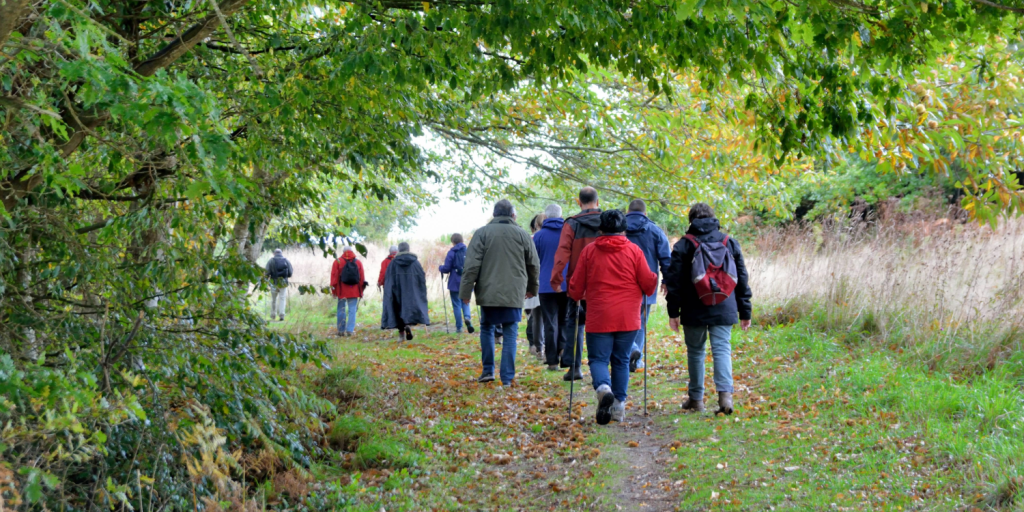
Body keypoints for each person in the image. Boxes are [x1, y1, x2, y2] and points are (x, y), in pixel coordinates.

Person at [568, 210, 658, 425]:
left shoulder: (590, 251)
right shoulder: (634, 251)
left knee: (598, 359)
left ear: (601, 228)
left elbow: (576, 287)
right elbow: (648, 283)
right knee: (622, 360)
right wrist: (654, 278)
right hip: (628, 317)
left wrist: (575, 293)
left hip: (599, 315)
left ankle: (603, 388)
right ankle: (618, 408)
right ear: (623, 229)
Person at [665, 202, 753, 415]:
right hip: (724, 304)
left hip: (693, 307)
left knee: (696, 351)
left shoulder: (683, 245)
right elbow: (742, 278)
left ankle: (696, 399)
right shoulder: (729, 242)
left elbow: (673, 282)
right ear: (713, 219)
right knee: (722, 348)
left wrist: (673, 312)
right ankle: (725, 397)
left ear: (691, 221)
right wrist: (745, 310)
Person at [459, 200, 540, 386]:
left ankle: (488, 371)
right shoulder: (522, 234)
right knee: (510, 332)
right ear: (513, 215)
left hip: (488, 291)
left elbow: (471, 265)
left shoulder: (482, 234)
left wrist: (465, 292)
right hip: (514, 291)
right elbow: (534, 265)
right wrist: (532, 289)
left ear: (494, 215)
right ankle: (507, 378)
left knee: (487, 328)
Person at [550, 187, 602, 382]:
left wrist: (556, 279)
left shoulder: (571, 223)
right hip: (604, 284)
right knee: (601, 325)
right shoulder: (608, 221)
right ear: (597, 202)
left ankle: (575, 367)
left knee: (575, 324)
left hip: (577, 284)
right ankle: (601, 364)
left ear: (579, 202)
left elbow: (562, 252)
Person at [624, 199, 672, 372]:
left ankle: (629, 352)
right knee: (641, 323)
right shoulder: (655, 231)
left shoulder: (617, 228)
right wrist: (666, 281)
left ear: (627, 211)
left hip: (621, 285)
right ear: (645, 213)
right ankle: (636, 359)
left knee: (622, 322)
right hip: (646, 286)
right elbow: (666, 259)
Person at [534, 204, 568, 372]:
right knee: (564, 319)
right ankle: (562, 349)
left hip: (546, 284)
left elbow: (534, 262)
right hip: (566, 284)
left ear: (545, 218)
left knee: (550, 322)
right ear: (561, 216)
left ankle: (552, 360)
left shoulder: (538, 236)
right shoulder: (569, 233)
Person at [381, 242, 431, 341]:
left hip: (397, 291)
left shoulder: (393, 263)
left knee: (397, 309)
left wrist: (389, 292)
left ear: (399, 250)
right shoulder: (415, 262)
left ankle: (401, 334)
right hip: (412, 291)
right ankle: (408, 324)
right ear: (408, 249)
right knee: (409, 309)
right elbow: (421, 277)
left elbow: (388, 279)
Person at [439, 234, 474, 334]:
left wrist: (440, 268)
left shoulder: (451, 252)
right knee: (465, 302)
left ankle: (459, 328)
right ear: (462, 240)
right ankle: (467, 318)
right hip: (467, 281)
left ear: (453, 242)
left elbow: (446, 268)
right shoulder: (469, 251)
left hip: (454, 282)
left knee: (456, 305)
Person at [330, 245, 366, 336]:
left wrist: (333, 291)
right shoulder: (358, 263)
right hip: (354, 290)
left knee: (341, 309)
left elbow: (334, 278)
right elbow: (362, 279)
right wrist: (361, 291)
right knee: (352, 310)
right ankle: (350, 330)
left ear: (343, 252)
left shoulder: (337, 262)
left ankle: (341, 330)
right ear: (352, 251)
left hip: (341, 290)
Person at [524, 214, 545, 359]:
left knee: (535, 316)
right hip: (553, 282)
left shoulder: (532, 239)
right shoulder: (561, 236)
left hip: (535, 281)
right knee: (551, 318)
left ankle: (538, 347)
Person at [265, 248, 293, 322]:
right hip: (283, 283)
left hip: (273, 283)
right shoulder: (286, 260)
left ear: (274, 253)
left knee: (273, 300)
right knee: (282, 299)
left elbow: (267, 273)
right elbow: (290, 273)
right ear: (281, 253)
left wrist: (266, 280)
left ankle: (273, 315)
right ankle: (282, 315)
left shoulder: (271, 261)